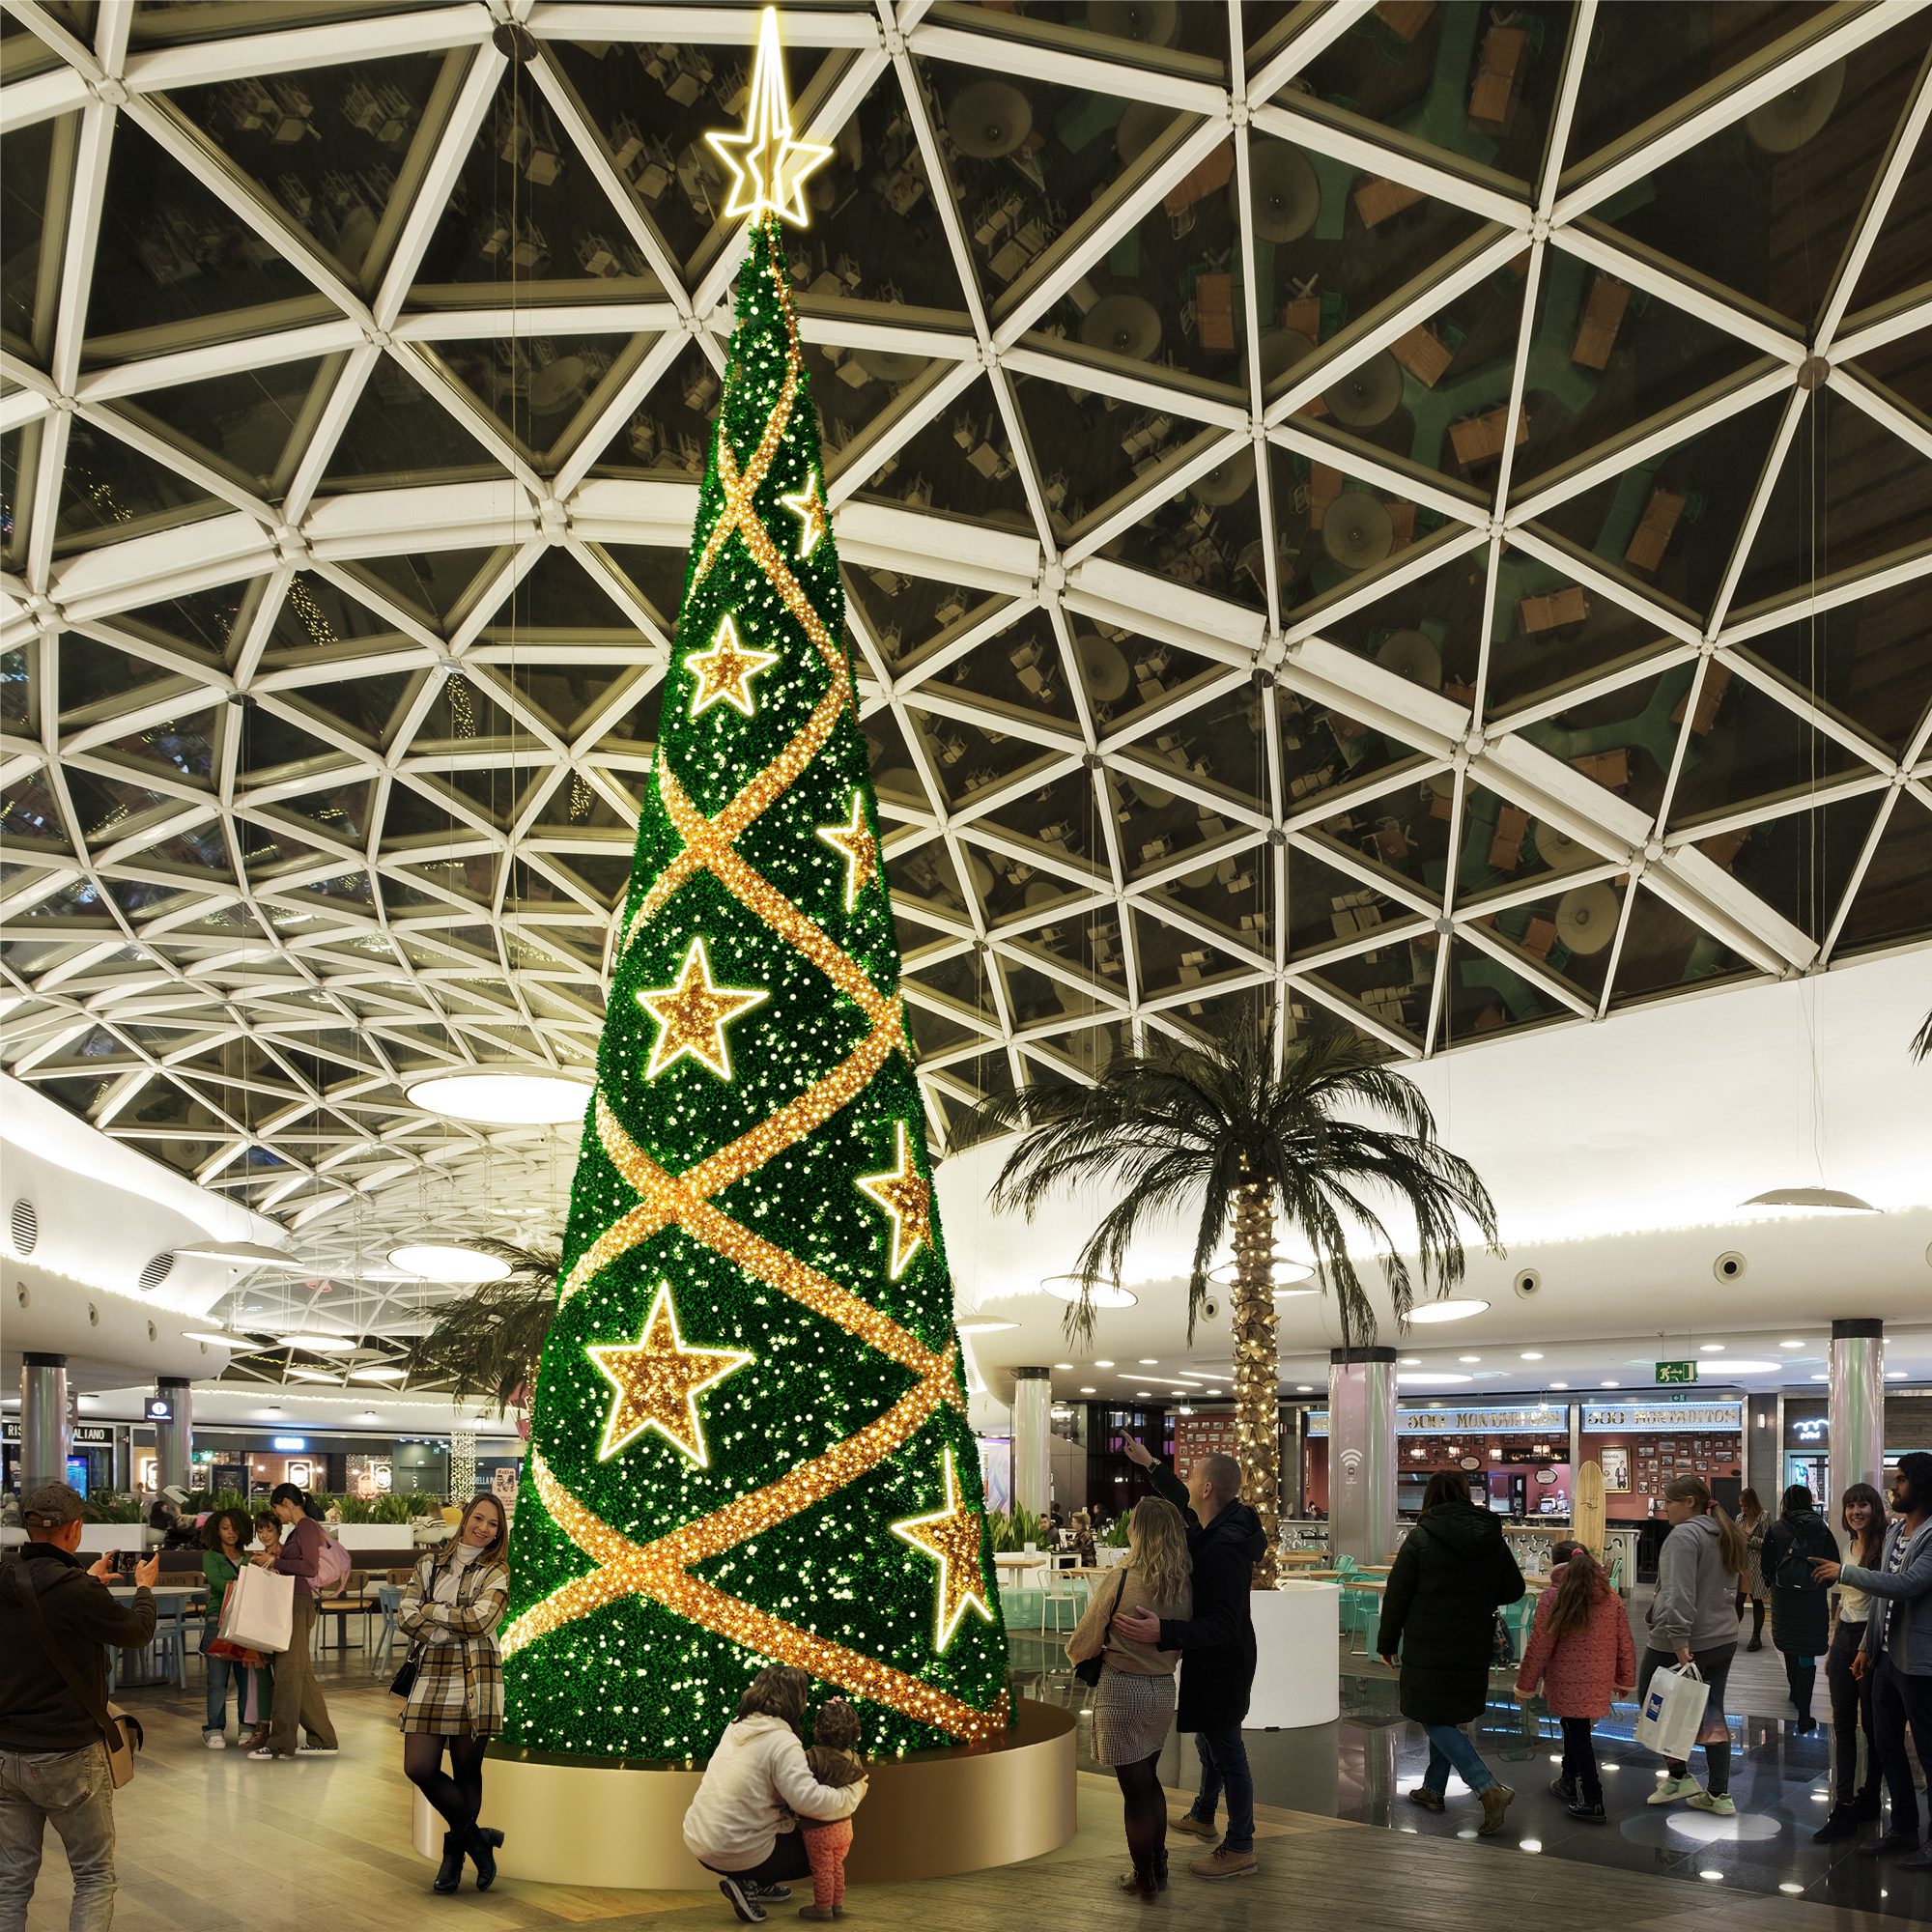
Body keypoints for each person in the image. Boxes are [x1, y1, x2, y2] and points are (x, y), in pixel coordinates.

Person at [0, 1482, 159, 1932]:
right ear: (75, 1530)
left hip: (6, 1751)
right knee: (92, 1875)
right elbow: (137, 1631)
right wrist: (143, 1588)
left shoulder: (5, 1578)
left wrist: (87, 1581)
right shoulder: (77, 1591)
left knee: (10, 1881)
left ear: (29, 1529)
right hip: (67, 1753)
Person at [1116, 1437, 1265, 1881]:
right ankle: (1203, 1813)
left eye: (1194, 1476)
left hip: (1222, 1662)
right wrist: (1151, 1464)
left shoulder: (1222, 1549)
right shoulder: (1221, 1526)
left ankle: (1241, 1845)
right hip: (1218, 1660)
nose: (1188, 1482)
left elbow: (1223, 1622)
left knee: (1227, 1750)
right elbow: (1180, 1497)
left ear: (1207, 1490)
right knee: (1209, 1742)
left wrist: (1165, 1632)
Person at [1376, 1468, 1526, 1833]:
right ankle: (1432, 1788)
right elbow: (1514, 1588)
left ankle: (1487, 1787)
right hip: (1473, 1639)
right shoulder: (1491, 1537)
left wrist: (1386, 1642)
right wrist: (1479, 1598)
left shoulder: (1421, 1539)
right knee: (1446, 1712)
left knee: (1430, 1714)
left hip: (1429, 1640)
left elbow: (1397, 1596)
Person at [1066, 1494, 1192, 1898]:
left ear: (1138, 1530)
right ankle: (1159, 1864)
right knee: (1150, 1783)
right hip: (1161, 1691)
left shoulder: (1124, 1576)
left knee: (1134, 1795)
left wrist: (1082, 1655)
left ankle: (1143, 1879)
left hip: (1123, 1690)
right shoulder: (1184, 1581)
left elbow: (1087, 1633)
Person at [1811, 1449, 1932, 1868]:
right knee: (1884, 1742)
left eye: (1899, 1479)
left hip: (1918, 1663)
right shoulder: (1899, 1533)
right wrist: (1864, 1647)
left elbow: (1908, 1585)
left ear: (1920, 1485)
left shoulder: (1931, 1536)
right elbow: (1881, 1601)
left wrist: (1843, 1573)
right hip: (1881, 1655)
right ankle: (1902, 1829)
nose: (1893, 1487)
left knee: (1927, 1750)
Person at [682, 1664, 867, 1925]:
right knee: (822, 1846)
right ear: (795, 1699)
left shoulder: (736, 1725)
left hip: (699, 1838)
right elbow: (809, 1801)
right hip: (733, 1848)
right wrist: (853, 1791)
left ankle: (760, 1881)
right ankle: (749, 1882)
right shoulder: (782, 1742)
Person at [398, 1493, 510, 1892]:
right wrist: (444, 1621)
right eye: (478, 1518)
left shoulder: (496, 1572)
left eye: (492, 1524)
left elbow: (481, 1620)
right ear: (464, 1520)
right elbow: (405, 1615)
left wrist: (433, 1611)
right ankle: (478, 1840)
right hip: (430, 1675)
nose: (483, 1527)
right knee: (419, 1767)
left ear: (499, 1532)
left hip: (475, 1677)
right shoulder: (427, 1565)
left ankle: (453, 1856)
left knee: (466, 1771)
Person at [1638, 1473, 1746, 1816]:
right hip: (1722, 1637)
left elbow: (1678, 1595)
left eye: (1669, 1501)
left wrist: (1680, 1640)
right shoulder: (1723, 1532)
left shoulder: (1684, 1536)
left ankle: (1680, 1776)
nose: (1664, 1507)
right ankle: (1719, 1793)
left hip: (1682, 1642)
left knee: (1654, 1702)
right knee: (1712, 1713)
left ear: (1690, 1503)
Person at [1513, 1542, 1634, 1823]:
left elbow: (1539, 1645)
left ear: (1556, 1566)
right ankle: (1568, 1779)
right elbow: (1624, 1641)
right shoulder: (1610, 1597)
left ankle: (1593, 1799)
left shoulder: (1555, 1597)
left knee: (1578, 1734)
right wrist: (1624, 1679)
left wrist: (1525, 1685)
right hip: (1597, 1678)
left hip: (1566, 1678)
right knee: (1574, 1726)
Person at [1814, 1481, 1887, 1843]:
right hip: (1844, 1639)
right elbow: (1844, 1601)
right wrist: (1832, 1646)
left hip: (1870, 1641)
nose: (1855, 1512)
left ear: (1875, 1508)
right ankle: (1843, 1805)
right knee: (1842, 1724)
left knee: (1874, 1727)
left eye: (1863, 1505)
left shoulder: (1884, 1547)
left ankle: (1869, 1797)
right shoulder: (1849, 1546)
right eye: (1850, 1506)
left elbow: (1881, 1603)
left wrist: (1864, 1648)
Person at [248, 1483, 339, 1762]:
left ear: (286, 1502)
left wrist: (274, 1562)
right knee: (300, 1674)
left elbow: (310, 1568)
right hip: (293, 1603)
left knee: (288, 1672)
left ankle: (280, 1744)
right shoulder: (301, 1530)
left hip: (297, 1605)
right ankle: (323, 1739)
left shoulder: (307, 1527)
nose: (276, 1513)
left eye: (276, 1507)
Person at [1761, 1484, 1837, 1733]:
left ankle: (1795, 1693)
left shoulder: (1776, 1529)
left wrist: (1776, 1584)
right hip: (1812, 1600)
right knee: (1806, 1652)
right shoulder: (1821, 1529)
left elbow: (1766, 1565)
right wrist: (1819, 1583)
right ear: (1808, 1502)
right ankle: (1805, 1713)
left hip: (1784, 1599)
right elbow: (1834, 1565)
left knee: (1789, 1647)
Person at [794, 1698, 867, 1923]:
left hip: (819, 1828)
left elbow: (797, 1785)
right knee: (837, 1866)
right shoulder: (853, 1758)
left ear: (819, 1728)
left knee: (822, 1869)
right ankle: (837, 1904)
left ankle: (822, 1908)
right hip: (845, 1824)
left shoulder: (812, 1756)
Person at [198, 1507, 256, 1748]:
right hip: (218, 1620)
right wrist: (243, 1585)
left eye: (234, 1528)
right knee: (217, 1679)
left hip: (244, 1621)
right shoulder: (211, 1557)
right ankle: (214, 1728)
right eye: (225, 1528)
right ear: (216, 1531)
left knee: (246, 1678)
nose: (230, 1533)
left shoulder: (249, 1558)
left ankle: (247, 1726)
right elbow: (217, 1583)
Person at [1736, 1488, 1769, 1650]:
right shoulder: (1739, 1518)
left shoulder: (1764, 1517)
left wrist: (1748, 1538)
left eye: (1745, 1505)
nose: (1743, 1509)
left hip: (1756, 1565)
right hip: (1741, 1565)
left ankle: (1756, 1637)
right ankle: (1732, 1634)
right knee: (1738, 1601)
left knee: (1757, 1600)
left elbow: (1769, 1544)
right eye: (1741, 1506)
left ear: (1752, 1503)